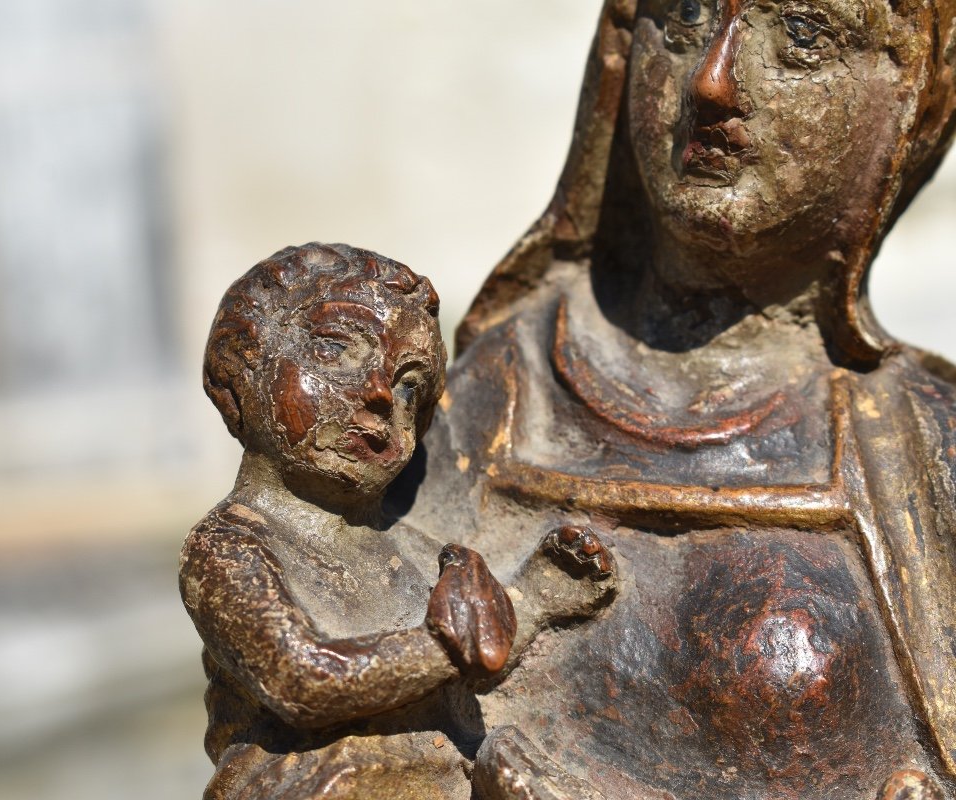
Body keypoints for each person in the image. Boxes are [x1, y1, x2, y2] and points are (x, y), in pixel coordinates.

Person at [401, 0, 956, 797]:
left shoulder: (924, 455)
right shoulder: (494, 400)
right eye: (685, 14)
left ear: (909, 102)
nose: (714, 80)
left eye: (802, 36)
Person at [181, 243, 616, 799]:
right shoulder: (230, 546)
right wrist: (451, 646)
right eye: (337, 350)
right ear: (239, 369)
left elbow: (483, 664)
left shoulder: (417, 550)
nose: (381, 394)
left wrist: (532, 602)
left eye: (410, 385)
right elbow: (301, 679)